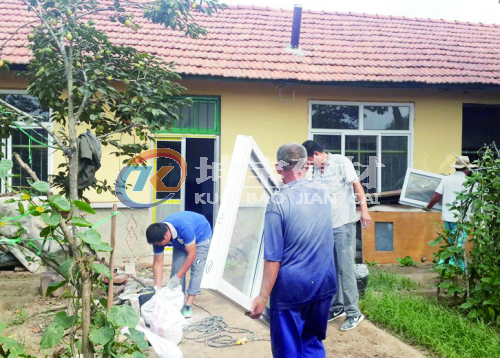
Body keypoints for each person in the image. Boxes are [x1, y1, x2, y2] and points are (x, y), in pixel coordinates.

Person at [248, 143, 337, 358]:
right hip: (324, 284)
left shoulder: (277, 202)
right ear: (306, 164)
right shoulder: (323, 195)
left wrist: (262, 296)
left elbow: (273, 258)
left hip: (292, 289)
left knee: (288, 350)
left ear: (278, 168)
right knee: (311, 342)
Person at [302, 140, 372, 331]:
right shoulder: (315, 171)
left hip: (342, 225)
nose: (307, 165)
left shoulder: (341, 162)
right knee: (330, 269)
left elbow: (358, 187)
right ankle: (336, 306)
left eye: (309, 161)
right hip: (324, 227)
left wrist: (364, 211)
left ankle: (354, 312)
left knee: (346, 269)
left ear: (317, 154)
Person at [146, 211, 212, 318]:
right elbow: (158, 263)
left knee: (196, 268)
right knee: (177, 268)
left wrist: (178, 277)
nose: (158, 245)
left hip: (201, 235)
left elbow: (192, 254)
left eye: (159, 243)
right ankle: (177, 299)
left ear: (166, 235)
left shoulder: (184, 228)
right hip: (180, 240)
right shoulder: (157, 237)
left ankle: (188, 304)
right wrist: (157, 288)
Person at [426, 156, 475, 271]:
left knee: (451, 242)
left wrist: (428, 207)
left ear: (456, 168)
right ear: (467, 169)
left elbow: (437, 195)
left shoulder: (446, 179)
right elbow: (476, 200)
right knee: (458, 244)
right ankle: (452, 266)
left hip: (447, 218)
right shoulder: (471, 182)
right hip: (463, 220)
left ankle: (451, 265)